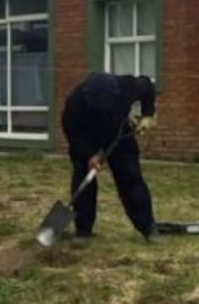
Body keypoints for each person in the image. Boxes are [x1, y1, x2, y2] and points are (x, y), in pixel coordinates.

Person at [60, 72, 159, 244]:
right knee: (83, 181)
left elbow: (148, 86)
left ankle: (148, 227)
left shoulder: (127, 87)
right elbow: (73, 134)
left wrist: (148, 114)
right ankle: (83, 231)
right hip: (87, 138)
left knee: (131, 178)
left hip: (119, 136)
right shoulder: (74, 103)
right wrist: (89, 155)